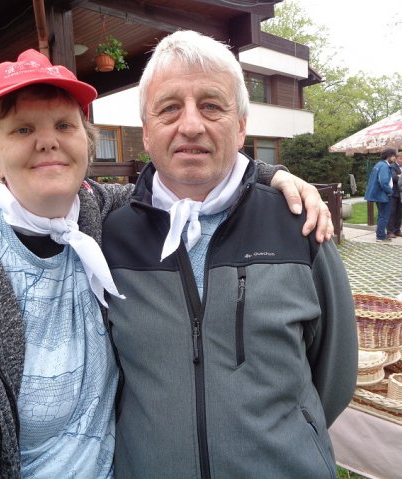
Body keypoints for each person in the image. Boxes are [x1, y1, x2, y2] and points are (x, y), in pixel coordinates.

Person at [0, 49, 333, 478]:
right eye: (22, 129)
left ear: (86, 143)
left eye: (64, 125)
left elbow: (191, 179)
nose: (48, 141)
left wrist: (268, 176)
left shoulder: (99, 212)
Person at [101, 30, 357, 478]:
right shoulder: (110, 237)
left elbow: (334, 374)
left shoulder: (299, 225)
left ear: (240, 127)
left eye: (211, 106)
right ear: (146, 132)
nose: (191, 125)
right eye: (169, 108)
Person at [364, 148, 396, 242]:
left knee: (381, 215)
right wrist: (390, 191)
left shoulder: (378, 164)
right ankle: (381, 236)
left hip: (377, 194)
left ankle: (380, 234)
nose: (394, 158)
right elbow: (383, 182)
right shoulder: (385, 166)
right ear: (389, 156)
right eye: (393, 156)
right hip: (383, 194)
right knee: (384, 216)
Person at [388, 150, 402, 238]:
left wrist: (400, 176)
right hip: (393, 192)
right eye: (400, 158)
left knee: (400, 213)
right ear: (396, 159)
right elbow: (394, 178)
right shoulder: (392, 166)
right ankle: (390, 231)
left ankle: (397, 230)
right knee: (392, 212)